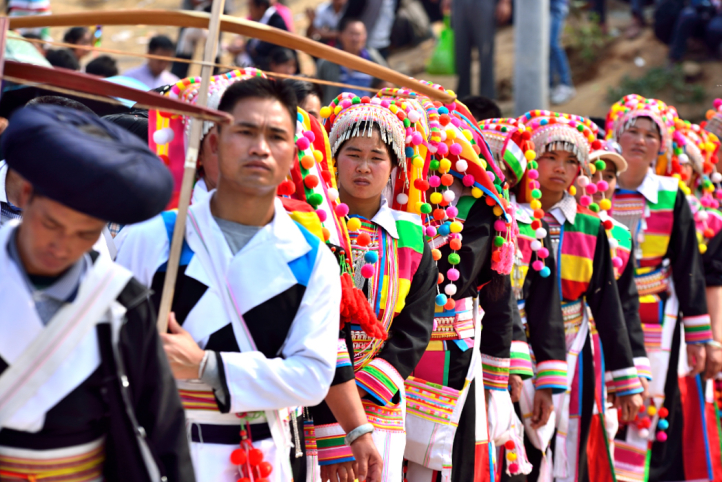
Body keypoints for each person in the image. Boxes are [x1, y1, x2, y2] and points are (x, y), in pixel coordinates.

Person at [116, 77, 341, 482]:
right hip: (154, 452)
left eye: (276, 136)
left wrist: (207, 366)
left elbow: (311, 378)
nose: (260, 147)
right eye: (245, 132)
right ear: (213, 144)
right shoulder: (154, 236)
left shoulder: (312, 260)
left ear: (292, 154)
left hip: (258, 460)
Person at [0, 103, 192, 482]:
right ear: (25, 194)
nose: (62, 245)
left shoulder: (121, 299)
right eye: (50, 224)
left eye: (85, 233)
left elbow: (162, 426)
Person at [314, 93, 437, 482]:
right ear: (333, 160)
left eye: (376, 157)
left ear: (394, 167)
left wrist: (375, 382)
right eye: (353, 154)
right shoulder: (313, 226)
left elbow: (417, 324)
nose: (363, 167)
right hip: (316, 393)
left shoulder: (411, 236)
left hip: (381, 394)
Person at [517, 111, 644, 482]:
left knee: (575, 442)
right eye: (550, 157)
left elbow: (609, 306)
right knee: (521, 444)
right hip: (518, 343)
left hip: (575, 343)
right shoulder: (512, 218)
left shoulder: (591, 228)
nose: (560, 168)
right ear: (532, 160)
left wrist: (625, 379)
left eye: (571, 161)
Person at [606, 94, 714, 482]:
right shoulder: (599, 189)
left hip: (659, 315)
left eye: (650, 135)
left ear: (661, 145)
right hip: (604, 313)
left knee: (654, 403)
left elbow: (689, 266)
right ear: (616, 136)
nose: (640, 140)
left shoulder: (671, 193)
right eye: (631, 131)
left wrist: (700, 337)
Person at [479, 117, 568, 482]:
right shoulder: (441, 215)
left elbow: (544, 308)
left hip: (513, 354)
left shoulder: (531, 226)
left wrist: (543, 378)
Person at [316, 18, 387, 104]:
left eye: (358, 34)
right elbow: (317, 90)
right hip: (336, 113)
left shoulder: (372, 57)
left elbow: (386, 82)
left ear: (365, 36)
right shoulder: (327, 62)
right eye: (351, 34)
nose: (355, 39)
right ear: (341, 35)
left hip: (367, 112)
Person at [451, 0, 510, 99]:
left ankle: (487, 100)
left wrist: (505, 2)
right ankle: (462, 101)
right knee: (461, 53)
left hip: (483, 3)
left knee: (485, 54)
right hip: (459, 4)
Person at [243, 0, 290, 68]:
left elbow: (260, 50)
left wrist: (252, 49)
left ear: (262, 6)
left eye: (251, 6)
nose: (249, 11)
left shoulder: (276, 22)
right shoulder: (260, 20)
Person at [549, 0, 576, 105]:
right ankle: (550, 84)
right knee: (548, 45)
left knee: (553, 43)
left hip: (556, 4)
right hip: (547, 6)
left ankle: (566, 84)